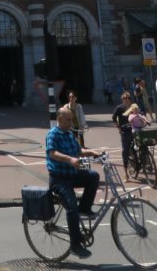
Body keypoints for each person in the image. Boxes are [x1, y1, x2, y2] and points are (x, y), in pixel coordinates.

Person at [46, 105, 100, 260]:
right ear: (59, 119)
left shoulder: (70, 134)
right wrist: (70, 159)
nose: (71, 123)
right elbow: (53, 153)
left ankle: (85, 208)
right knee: (71, 206)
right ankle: (75, 245)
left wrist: (92, 153)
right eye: (68, 120)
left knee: (93, 176)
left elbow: (78, 151)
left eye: (71, 119)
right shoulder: (53, 134)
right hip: (59, 179)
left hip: (73, 175)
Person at [112, 91, 134, 177]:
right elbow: (113, 118)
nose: (127, 100)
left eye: (129, 98)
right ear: (122, 100)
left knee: (141, 145)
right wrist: (118, 128)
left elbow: (139, 114)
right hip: (125, 131)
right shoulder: (119, 108)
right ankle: (125, 173)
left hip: (134, 130)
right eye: (125, 98)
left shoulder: (133, 107)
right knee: (125, 150)